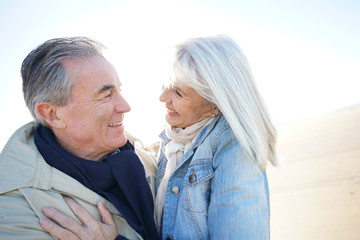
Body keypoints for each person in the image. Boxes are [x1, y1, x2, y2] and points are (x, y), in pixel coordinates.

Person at [40, 34, 278, 240]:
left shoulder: (233, 147)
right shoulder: (174, 142)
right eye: (166, 85)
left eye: (178, 92)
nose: (163, 98)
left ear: (215, 105)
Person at [0, 37, 160, 240]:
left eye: (119, 90)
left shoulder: (151, 162)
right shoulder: (12, 210)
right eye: (105, 95)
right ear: (52, 115)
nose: (125, 106)